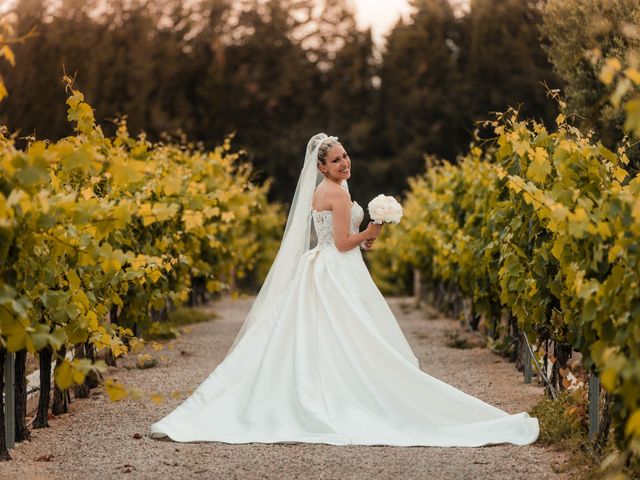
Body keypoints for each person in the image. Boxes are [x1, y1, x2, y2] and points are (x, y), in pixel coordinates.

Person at [149, 133, 540, 447]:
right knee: (353, 336)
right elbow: (338, 243)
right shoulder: (336, 192)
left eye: (346, 156)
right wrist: (370, 232)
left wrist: (363, 239)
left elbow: (336, 238)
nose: (345, 162)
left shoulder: (328, 189)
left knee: (329, 336)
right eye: (336, 160)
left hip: (325, 266)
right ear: (321, 166)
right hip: (334, 268)